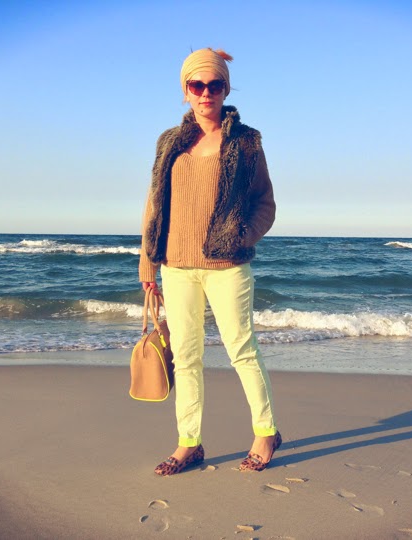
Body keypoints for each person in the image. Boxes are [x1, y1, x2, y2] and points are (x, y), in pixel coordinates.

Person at [139, 47, 281, 476]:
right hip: (175, 267)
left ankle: (266, 432)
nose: (206, 93)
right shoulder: (169, 142)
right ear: (185, 91)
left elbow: (265, 204)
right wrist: (148, 265)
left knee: (242, 351)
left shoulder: (246, 142)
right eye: (196, 85)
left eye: (214, 84)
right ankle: (189, 443)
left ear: (226, 89)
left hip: (227, 267)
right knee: (186, 358)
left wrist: (241, 237)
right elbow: (154, 205)